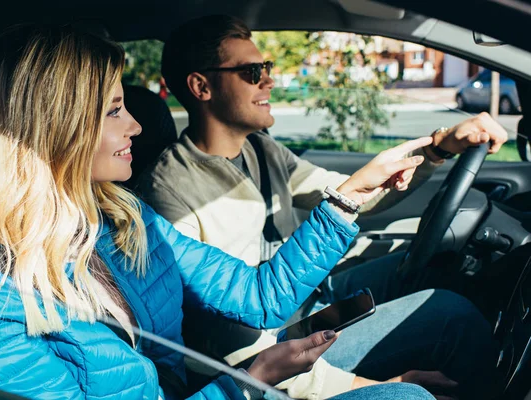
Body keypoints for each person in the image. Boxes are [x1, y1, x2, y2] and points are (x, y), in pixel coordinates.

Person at [0, 23, 437, 400]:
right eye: (113, 111)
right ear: (52, 127)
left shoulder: (121, 217)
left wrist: (348, 197)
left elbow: (260, 297)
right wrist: (249, 381)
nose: (136, 126)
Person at [135, 14, 503, 399]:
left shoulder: (261, 149)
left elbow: (354, 195)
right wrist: (373, 385)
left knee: (435, 271)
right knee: (450, 317)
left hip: (308, 308)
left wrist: (436, 149)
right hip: (276, 353)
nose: (269, 80)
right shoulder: (168, 194)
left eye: (268, 68)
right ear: (201, 86)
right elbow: (231, 345)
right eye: (252, 71)